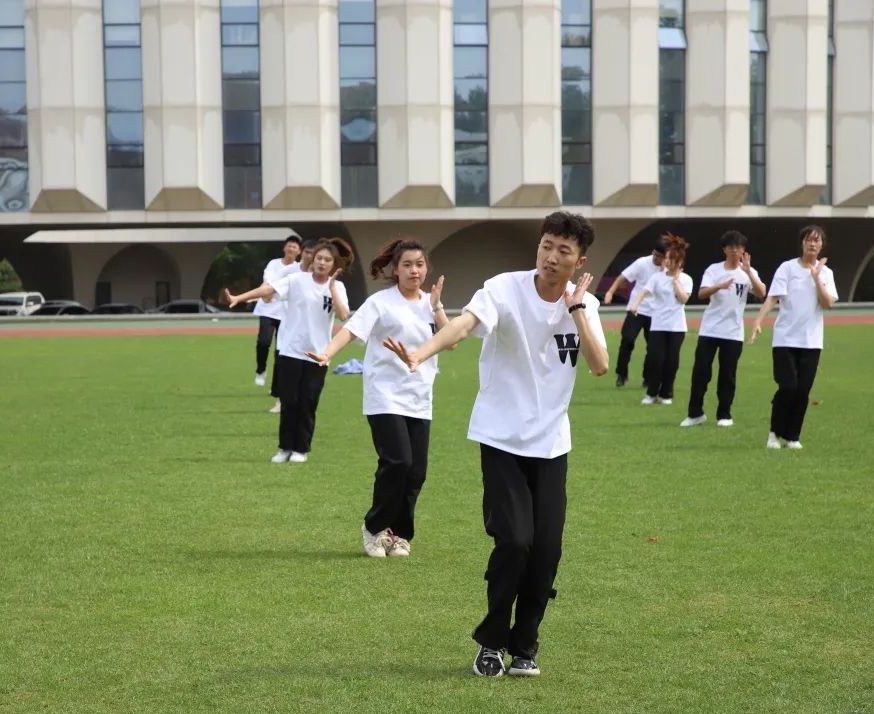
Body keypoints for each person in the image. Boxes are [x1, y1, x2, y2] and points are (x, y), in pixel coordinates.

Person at [385, 211, 608, 678]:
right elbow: (465, 325)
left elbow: (600, 364)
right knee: (514, 541)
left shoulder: (581, 305)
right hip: (502, 439)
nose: (551, 257)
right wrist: (421, 354)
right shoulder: (504, 287)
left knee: (547, 551)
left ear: (579, 260)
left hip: (552, 446)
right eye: (547, 245)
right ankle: (491, 642)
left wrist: (578, 308)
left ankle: (525, 645)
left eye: (563, 251)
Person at [307, 238, 448, 558]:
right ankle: (374, 528)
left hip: (419, 396)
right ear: (395, 270)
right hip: (384, 395)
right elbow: (351, 331)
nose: (415, 270)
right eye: (408, 265)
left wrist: (438, 306)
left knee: (416, 472)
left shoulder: (430, 302)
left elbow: (449, 340)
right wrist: (327, 353)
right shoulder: (380, 303)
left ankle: (398, 535)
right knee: (398, 461)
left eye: (420, 264)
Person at [224, 238, 353, 463]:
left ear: (333, 264)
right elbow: (268, 289)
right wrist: (239, 297)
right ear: (312, 259)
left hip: (319, 354)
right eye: (319, 258)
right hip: (291, 351)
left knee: (308, 402)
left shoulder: (338, 287)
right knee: (289, 401)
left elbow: (343, 316)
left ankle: (300, 450)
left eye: (327, 260)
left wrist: (332, 289)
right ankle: (284, 448)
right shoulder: (295, 280)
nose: (322, 263)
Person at [749, 225, 837, 450]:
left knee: (802, 391)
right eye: (809, 240)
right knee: (788, 387)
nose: (813, 244)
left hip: (811, 341)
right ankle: (774, 433)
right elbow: (772, 298)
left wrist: (816, 278)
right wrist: (758, 321)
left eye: (817, 241)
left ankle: (793, 437)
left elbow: (828, 303)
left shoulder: (826, 273)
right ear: (802, 243)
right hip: (785, 340)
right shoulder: (787, 268)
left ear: (822, 245)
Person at [680, 231, 766, 427]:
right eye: (731, 247)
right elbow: (701, 294)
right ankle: (695, 414)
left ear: (744, 250)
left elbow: (762, 292)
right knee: (701, 372)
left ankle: (724, 415)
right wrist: (719, 286)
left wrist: (749, 271)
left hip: (733, 332)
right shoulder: (714, 270)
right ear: (724, 249)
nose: (735, 250)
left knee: (728, 374)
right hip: (710, 329)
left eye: (739, 247)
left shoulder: (748, 273)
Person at [630, 234, 692, 405]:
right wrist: (635, 304)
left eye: (672, 260)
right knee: (655, 359)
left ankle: (667, 394)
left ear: (680, 263)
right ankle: (651, 393)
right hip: (658, 325)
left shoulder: (686, 280)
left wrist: (675, 282)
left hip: (677, 327)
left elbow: (683, 299)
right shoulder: (657, 278)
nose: (668, 262)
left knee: (671, 362)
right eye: (668, 259)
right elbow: (644, 291)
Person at [603, 239, 667, 387]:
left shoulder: (669, 269)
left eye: (660, 257)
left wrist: (665, 271)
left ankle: (648, 377)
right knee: (627, 340)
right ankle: (621, 374)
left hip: (656, 312)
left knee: (653, 348)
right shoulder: (642, 263)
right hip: (636, 308)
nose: (656, 259)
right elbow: (622, 277)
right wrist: (610, 292)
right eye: (655, 255)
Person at [252, 235, 302, 391]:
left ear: (299, 251)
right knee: (263, 343)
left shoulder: (299, 268)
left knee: (280, 351)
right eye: (289, 246)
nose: (291, 249)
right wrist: (265, 293)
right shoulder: (273, 264)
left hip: (286, 314)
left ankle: (276, 387)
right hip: (267, 309)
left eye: (294, 247)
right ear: (284, 248)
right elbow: (268, 283)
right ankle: (261, 370)